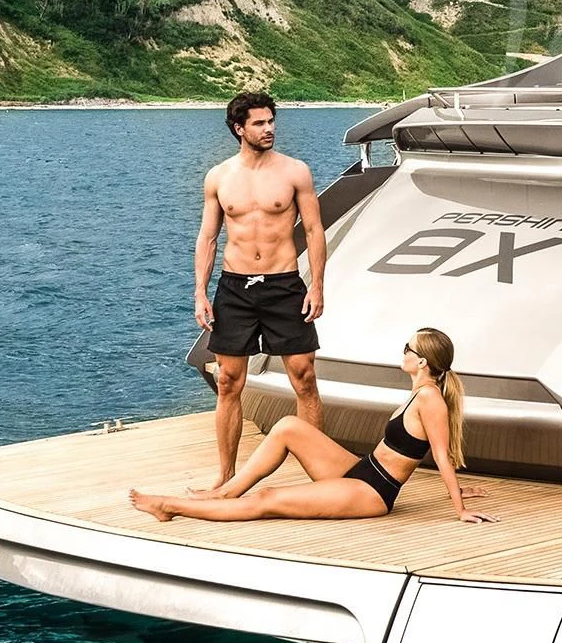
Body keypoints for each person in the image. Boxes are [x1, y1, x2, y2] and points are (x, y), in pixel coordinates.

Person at [130, 328, 494, 524]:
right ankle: (224, 492)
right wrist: (461, 490)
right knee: (289, 425)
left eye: (407, 348)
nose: (402, 352)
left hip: (374, 492)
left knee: (269, 500)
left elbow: (441, 454)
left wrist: (458, 505)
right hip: (362, 469)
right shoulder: (420, 392)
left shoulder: (430, 398)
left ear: (422, 361)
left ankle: (170, 506)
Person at [198, 90, 325, 488]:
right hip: (234, 288)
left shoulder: (294, 172)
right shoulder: (219, 177)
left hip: (283, 284)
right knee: (227, 381)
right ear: (240, 128)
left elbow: (313, 229)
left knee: (304, 377)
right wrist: (200, 292)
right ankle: (225, 476)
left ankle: (318, 474)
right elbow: (208, 238)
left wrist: (316, 285)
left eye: (271, 121)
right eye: (259, 123)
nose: (269, 129)